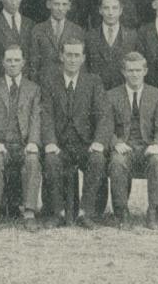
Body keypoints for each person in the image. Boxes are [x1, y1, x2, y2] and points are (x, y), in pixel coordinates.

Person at [39, 37, 109, 228]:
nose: (72, 59)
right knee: (51, 160)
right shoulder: (50, 81)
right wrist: (50, 142)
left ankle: (86, 213)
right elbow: (46, 115)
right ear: (61, 56)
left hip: (85, 143)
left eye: (76, 55)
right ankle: (57, 213)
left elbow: (103, 115)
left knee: (97, 159)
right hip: (60, 143)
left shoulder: (93, 82)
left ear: (83, 58)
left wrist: (99, 142)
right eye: (68, 55)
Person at [100, 52, 158, 229]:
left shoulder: (156, 95)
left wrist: (157, 145)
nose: (134, 74)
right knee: (117, 162)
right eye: (130, 70)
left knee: (157, 161)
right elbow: (105, 126)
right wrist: (116, 142)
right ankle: (122, 212)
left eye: (138, 70)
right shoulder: (111, 95)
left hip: (148, 146)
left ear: (145, 71)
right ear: (123, 72)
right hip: (125, 146)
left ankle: (153, 212)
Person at [0, 45, 43, 231]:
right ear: (2, 62)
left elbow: (36, 117)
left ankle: (29, 212)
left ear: (23, 63)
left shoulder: (33, 89)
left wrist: (33, 142)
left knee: (32, 160)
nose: (12, 64)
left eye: (16, 60)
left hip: (23, 144)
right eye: (9, 60)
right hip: (1, 144)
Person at [28, 0, 84, 82]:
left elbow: (81, 65)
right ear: (49, 4)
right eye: (56, 4)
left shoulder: (77, 30)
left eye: (64, 4)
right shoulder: (38, 29)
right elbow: (34, 64)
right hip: (44, 83)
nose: (60, 8)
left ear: (69, 6)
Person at [84, 0, 138, 90]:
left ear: (121, 10)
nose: (110, 12)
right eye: (106, 8)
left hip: (123, 94)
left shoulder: (132, 37)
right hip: (97, 92)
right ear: (100, 10)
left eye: (114, 8)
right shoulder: (89, 37)